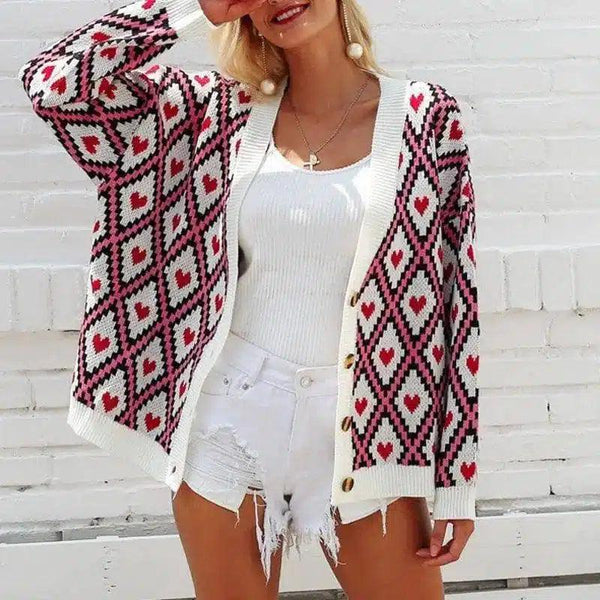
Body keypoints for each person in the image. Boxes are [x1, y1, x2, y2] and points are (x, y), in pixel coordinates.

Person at [18, 0, 480, 598]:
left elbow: (456, 299)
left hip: (369, 428)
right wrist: (193, 7)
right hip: (230, 422)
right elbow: (56, 84)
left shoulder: (426, 119)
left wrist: (456, 480)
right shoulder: (210, 114)